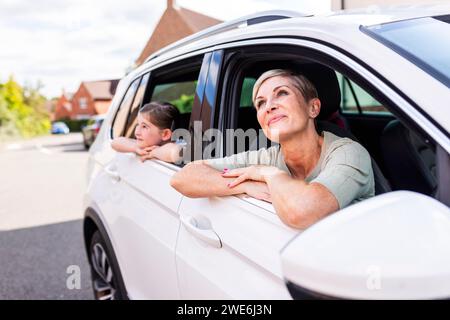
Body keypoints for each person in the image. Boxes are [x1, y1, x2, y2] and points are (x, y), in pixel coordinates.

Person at [170, 69, 375, 229]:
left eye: (282, 93)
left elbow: (302, 211)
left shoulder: (349, 153)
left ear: (313, 108)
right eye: (260, 103)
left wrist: (268, 173)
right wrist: (244, 186)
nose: (269, 106)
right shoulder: (265, 156)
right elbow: (183, 177)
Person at [111, 101, 184, 163]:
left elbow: (178, 152)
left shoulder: (181, 144)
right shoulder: (146, 144)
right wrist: (135, 148)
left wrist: (154, 152)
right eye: (137, 125)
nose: (137, 132)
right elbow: (115, 142)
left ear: (165, 134)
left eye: (144, 126)